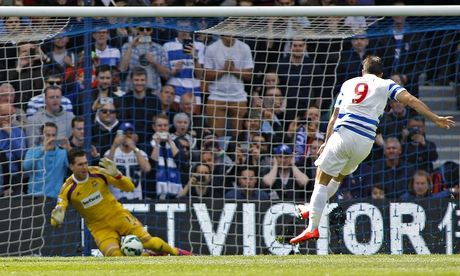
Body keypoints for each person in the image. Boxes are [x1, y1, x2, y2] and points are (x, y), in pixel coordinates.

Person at [290, 55, 455, 244]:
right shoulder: (387, 84)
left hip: (345, 134)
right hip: (365, 143)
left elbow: (334, 117)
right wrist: (435, 118)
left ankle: (312, 229)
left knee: (321, 178)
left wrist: (327, 141)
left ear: (363, 70)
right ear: (381, 73)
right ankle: (312, 208)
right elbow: (410, 100)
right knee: (338, 176)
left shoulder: (349, 84)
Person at [50, 148, 191, 256]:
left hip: (118, 215)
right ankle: (150, 257)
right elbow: (58, 214)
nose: (84, 167)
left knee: (150, 242)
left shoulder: (99, 173)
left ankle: (178, 253)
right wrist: (56, 221)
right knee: (115, 256)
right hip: (100, 228)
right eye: (80, 164)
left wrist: (117, 174)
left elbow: (129, 187)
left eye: (86, 163)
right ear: (71, 167)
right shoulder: (67, 189)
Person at [23, 122, 68, 198]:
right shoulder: (33, 150)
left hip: (55, 197)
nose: (51, 138)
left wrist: (69, 149)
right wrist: (43, 150)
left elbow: (73, 167)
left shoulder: (63, 153)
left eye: (53, 135)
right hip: (35, 197)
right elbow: (26, 167)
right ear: (41, 136)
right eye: (48, 135)